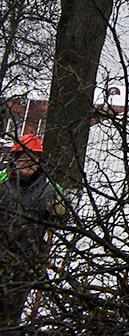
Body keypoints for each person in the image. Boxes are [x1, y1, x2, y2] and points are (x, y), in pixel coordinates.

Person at [0, 135, 65, 326]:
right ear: (14, 159)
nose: (29, 164)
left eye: (34, 159)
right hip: (1, 252)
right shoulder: (2, 182)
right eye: (25, 159)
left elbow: (62, 219)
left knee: (12, 312)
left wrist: (59, 211)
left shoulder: (49, 188)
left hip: (27, 259)